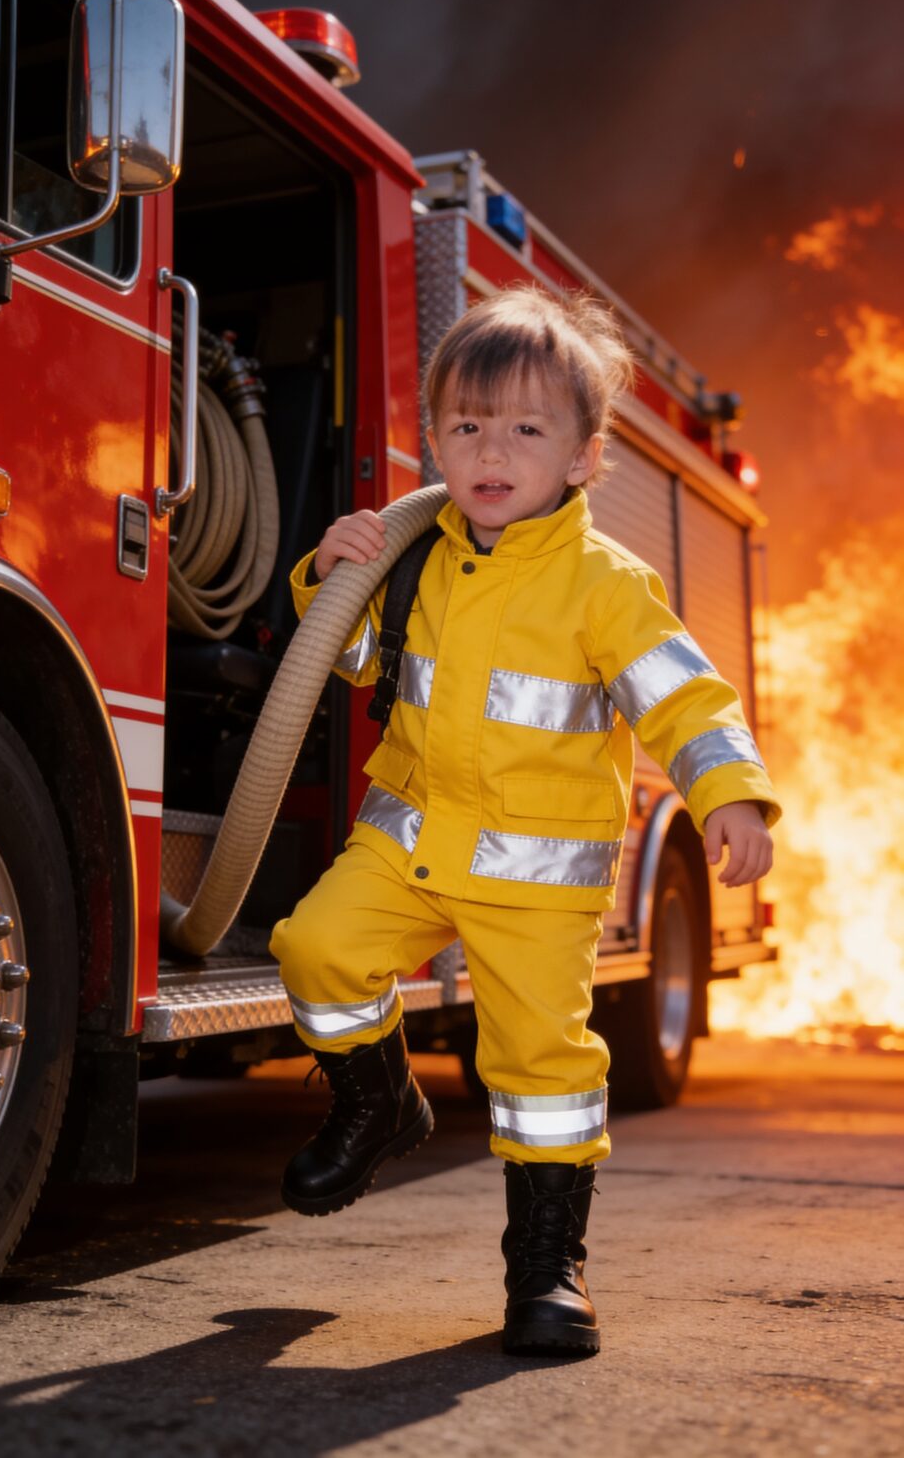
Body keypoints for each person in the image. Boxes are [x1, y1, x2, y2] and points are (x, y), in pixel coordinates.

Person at [270, 285, 780, 1358]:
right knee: (312, 951)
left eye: (525, 428)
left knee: (539, 1072)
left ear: (584, 457)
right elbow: (342, 659)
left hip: (537, 887)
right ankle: (376, 1105)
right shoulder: (414, 553)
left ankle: (546, 1271)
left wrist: (726, 791)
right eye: (465, 426)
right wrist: (333, 570)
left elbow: (684, 699)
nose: (489, 449)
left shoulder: (606, 584)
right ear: (434, 442)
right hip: (404, 848)